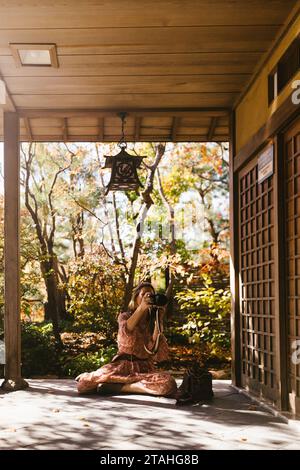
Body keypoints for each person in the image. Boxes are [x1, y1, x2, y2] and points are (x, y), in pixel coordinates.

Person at [75, 282, 177, 398]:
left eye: (151, 295)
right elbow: (126, 337)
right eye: (144, 294)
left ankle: (120, 387)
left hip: (144, 369)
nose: (148, 298)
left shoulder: (153, 321)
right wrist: (142, 308)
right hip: (122, 366)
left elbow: (154, 349)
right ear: (136, 297)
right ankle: (99, 377)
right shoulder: (125, 317)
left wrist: (159, 318)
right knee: (83, 385)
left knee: (169, 384)